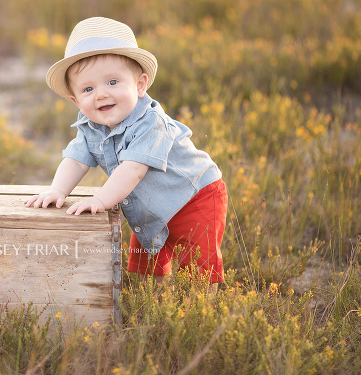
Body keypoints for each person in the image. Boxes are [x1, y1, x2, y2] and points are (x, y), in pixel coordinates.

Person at [24, 17, 228, 286]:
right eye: (88, 88)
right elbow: (75, 160)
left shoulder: (151, 124)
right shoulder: (90, 126)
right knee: (145, 264)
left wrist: (99, 200)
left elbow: (132, 171)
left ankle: (203, 311)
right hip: (150, 206)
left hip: (195, 197)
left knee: (197, 269)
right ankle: (152, 301)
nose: (100, 94)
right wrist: (57, 191)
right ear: (75, 100)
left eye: (112, 82)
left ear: (140, 85)